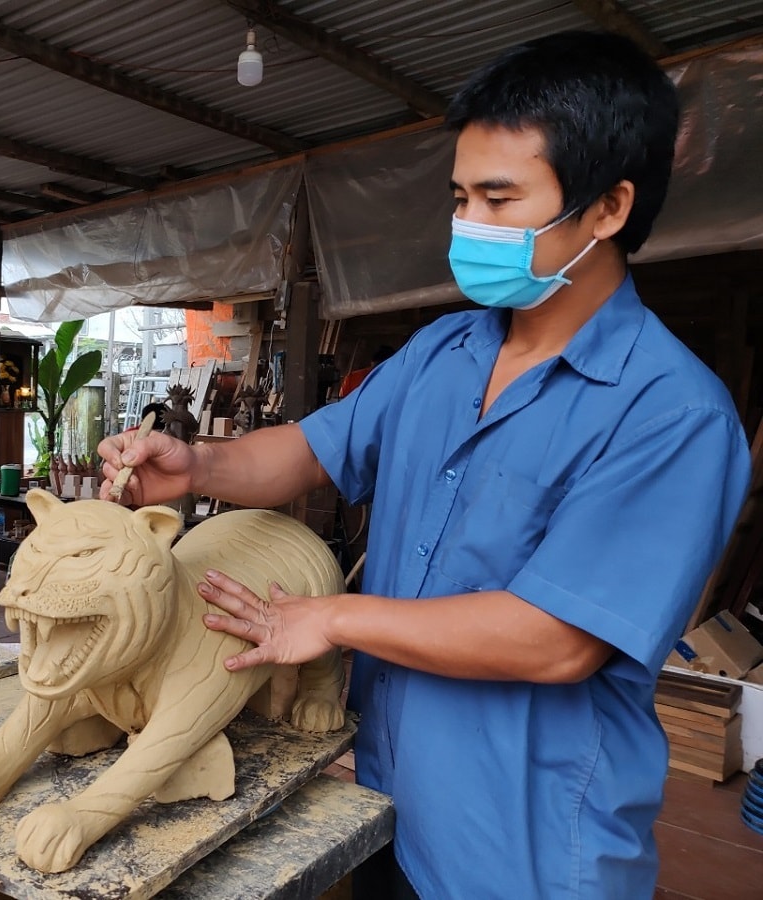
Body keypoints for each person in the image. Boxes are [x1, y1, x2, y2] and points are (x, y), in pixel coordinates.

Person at [98, 31, 752, 900]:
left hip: (524, 852)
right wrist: (198, 465)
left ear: (608, 207)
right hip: (384, 808)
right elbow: (306, 449)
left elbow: (554, 640)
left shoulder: (670, 413)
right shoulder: (444, 350)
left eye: (499, 198)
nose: (468, 225)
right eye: (459, 198)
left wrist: (333, 618)